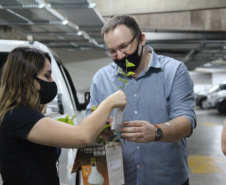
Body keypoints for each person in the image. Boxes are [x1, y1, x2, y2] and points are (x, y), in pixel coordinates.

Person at [86, 15, 197, 185]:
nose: (120, 56)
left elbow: (187, 122)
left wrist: (156, 132)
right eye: (112, 51)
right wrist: (101, 130)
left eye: (124, 46)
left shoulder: (174, 71)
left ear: (141, 39)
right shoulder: (101, 79)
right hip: (121, 178)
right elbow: (89, 124)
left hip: (167, 179)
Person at [0, 47, 127, 185]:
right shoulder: (19, 116)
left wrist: (97, 132)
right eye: (47, 75)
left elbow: (32, 167)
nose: (51, 81)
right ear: (27, 78)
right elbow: (81, 136)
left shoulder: (23, 115)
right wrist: (109, 103)